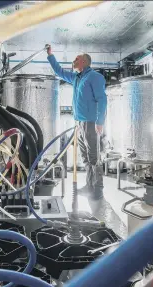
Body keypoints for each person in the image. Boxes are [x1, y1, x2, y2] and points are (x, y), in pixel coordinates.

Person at [47, 45, 107, 200]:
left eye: (77, 59)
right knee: (85, 157)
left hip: (91, 122)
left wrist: (100, 122)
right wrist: (50, 55)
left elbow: (102, 100)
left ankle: (98, 189)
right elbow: (59, 71)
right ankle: (89, 185)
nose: (74, 61)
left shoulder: (95, 77)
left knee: (94, 156)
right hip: (79, 123)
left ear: (85, 62)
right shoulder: (76, 78)